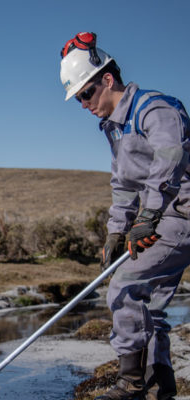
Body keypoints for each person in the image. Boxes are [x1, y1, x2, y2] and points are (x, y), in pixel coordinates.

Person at [59, 32, 190, 400]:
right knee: (150, 303)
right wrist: (116, 232)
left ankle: (131, 385)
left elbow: (170, 157)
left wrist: (147, 218)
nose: (83, 104)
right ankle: (158, 386)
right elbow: (124, 186)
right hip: (166, 217)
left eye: (86, 93)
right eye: (77, 99)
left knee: (125, 286)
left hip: (182, 214)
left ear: (107, 79)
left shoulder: (154, 108)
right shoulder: (115, 128)